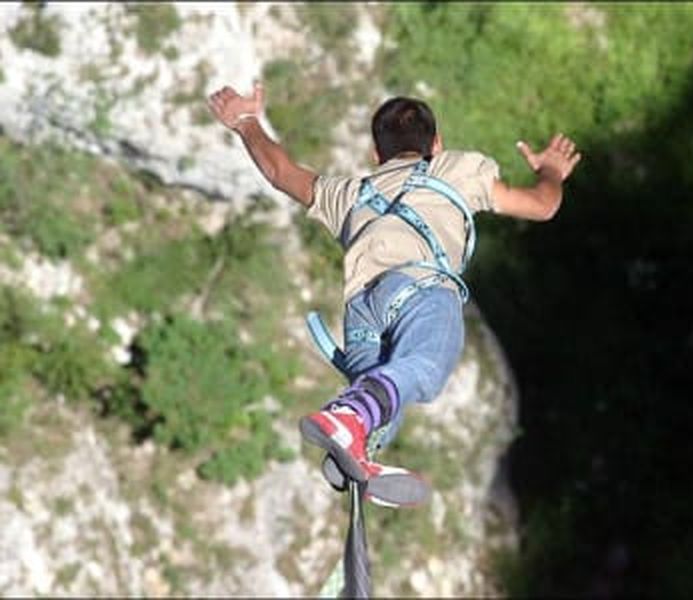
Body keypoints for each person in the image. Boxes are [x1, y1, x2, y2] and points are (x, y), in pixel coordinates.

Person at [207, 82, 581, 504]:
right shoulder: (456, 170)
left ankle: (357, 451)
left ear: (376, 154)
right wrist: (551, 170)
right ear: (436, 145)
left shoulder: (347, 194)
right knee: (426, 368)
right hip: (420, 290)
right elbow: (543, 205)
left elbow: (280, 172)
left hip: (362, 312)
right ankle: (351, 420)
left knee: (384, 395)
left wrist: (245, 122)